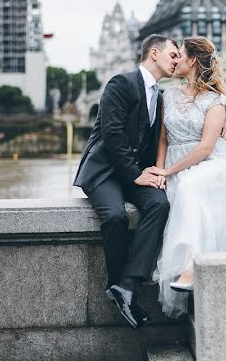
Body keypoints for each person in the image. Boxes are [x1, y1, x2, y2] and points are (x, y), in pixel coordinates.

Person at [74, 34, 179, 329]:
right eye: (173, 54)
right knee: (116, 216)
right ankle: (116, 285)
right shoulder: (121, 83)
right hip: (105, 170)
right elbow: (113, 135)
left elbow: (149, 141)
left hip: (134, 171)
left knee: (159, 204)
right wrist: (136, 174)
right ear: (154, 54)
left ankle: (129, 286)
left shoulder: (158, 96)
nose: (177, 60)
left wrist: (155, 173)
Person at [148, 36, 226, 318]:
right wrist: (159, 171)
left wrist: (169, 171)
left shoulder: (215, 100)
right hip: (176, 164)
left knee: (190, 188)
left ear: (192, 60)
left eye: (179, 54)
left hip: (213, 165)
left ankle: (191, 267)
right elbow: (163, 140)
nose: (175, 59)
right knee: (181, 192)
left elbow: (206, 147)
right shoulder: (169, 95)